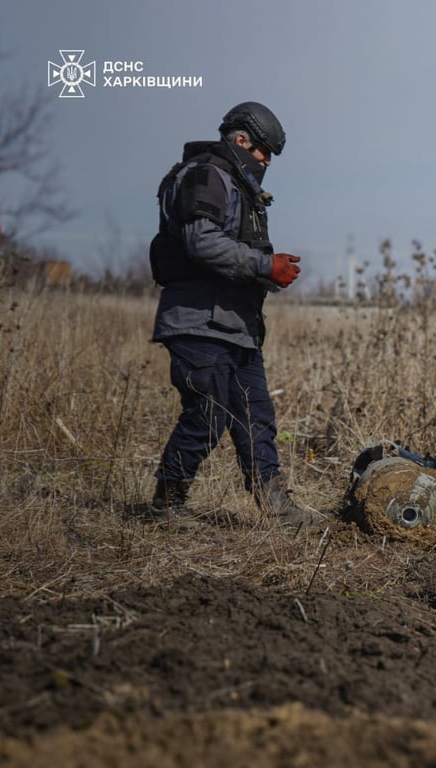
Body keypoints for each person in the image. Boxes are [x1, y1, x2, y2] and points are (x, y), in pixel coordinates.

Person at [147, 101, 322, 530]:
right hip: (198, 321)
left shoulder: (240, 186)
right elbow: (201, 242)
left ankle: (277, 509)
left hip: (237, 327)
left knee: (256, 418)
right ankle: (167, 505)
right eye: (263, 151)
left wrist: (269, 272)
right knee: (208, 413)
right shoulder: (206, 174)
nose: (266, 161)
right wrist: (266, 266)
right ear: (241, 139)